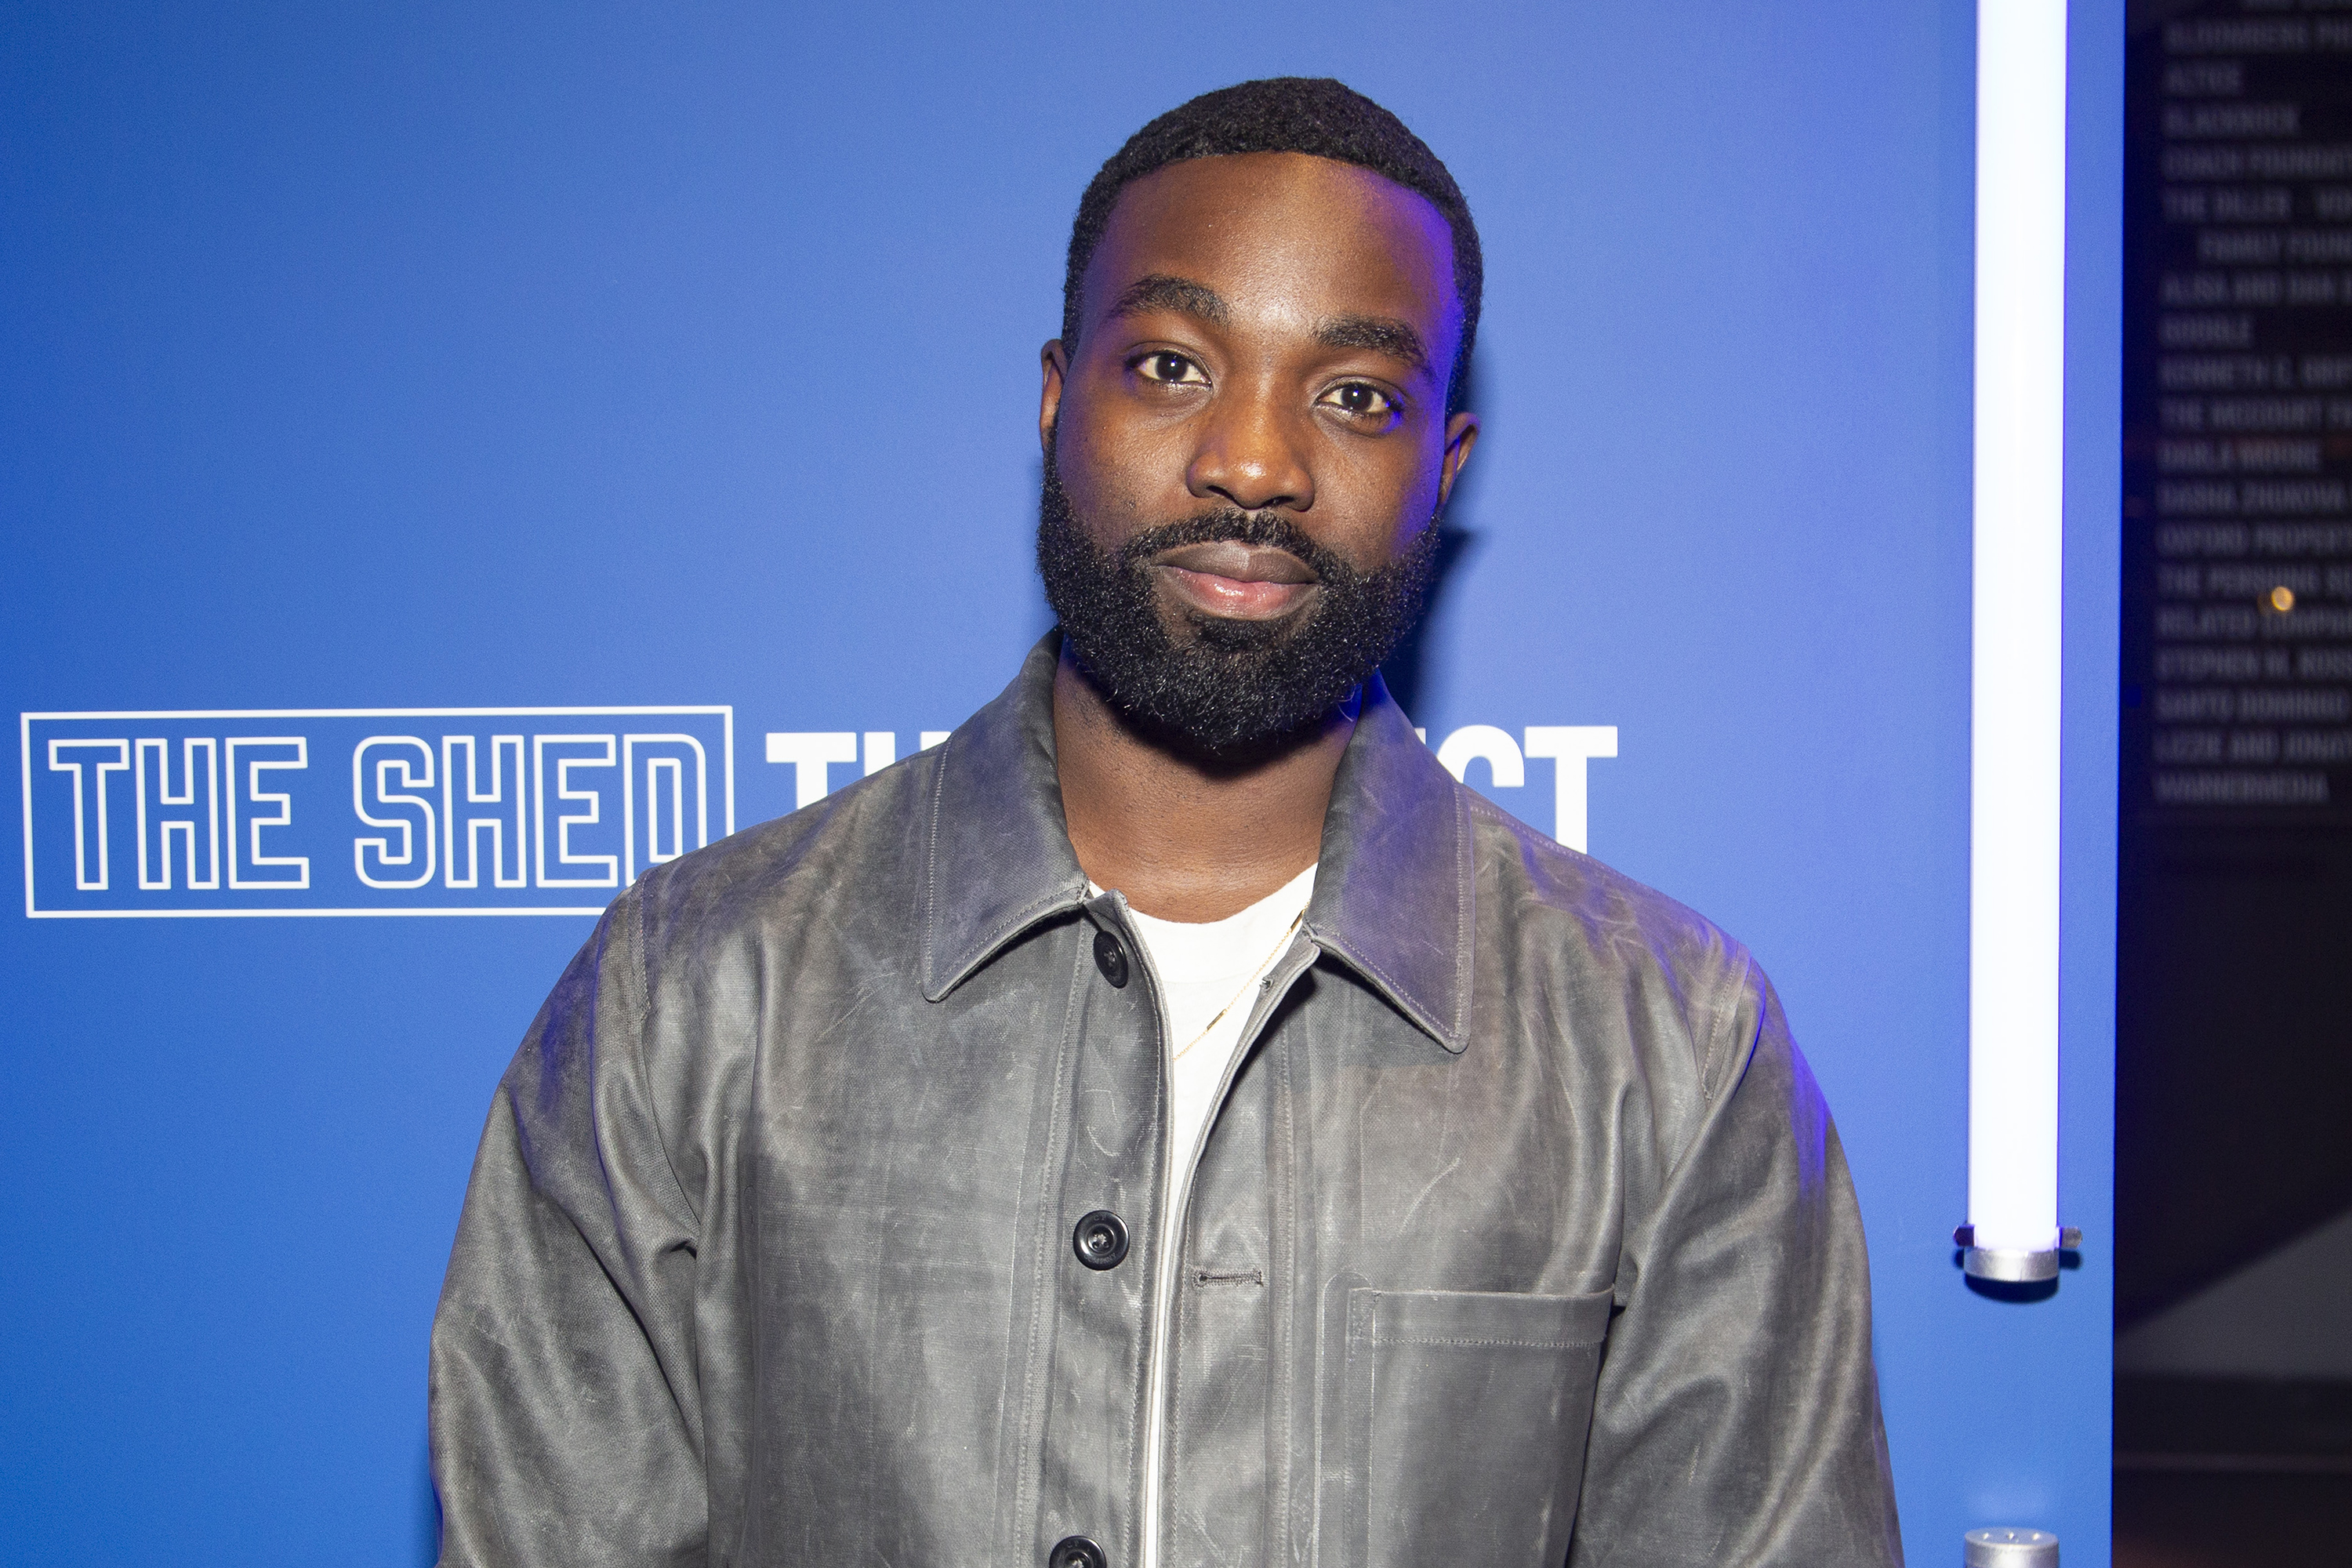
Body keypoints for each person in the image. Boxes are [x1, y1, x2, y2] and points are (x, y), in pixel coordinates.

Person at [429, 77, 1903, 1568]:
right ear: (1059, 401)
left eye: (1356, 397)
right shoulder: (690, 992)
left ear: (1440, 474)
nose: (1254, 462)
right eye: (1173, 363)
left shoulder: (1669, 1042)